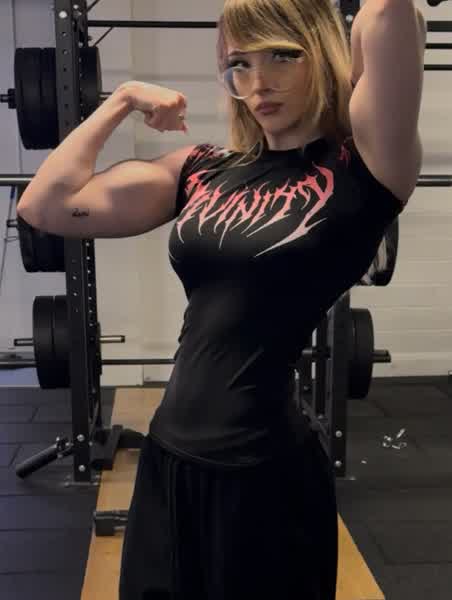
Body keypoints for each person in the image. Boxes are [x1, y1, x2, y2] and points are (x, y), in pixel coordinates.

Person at [17, 1, 422, 598]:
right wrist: (122, 98)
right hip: (168, 459)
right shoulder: (202, 170)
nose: (259, 82)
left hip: (264, 478)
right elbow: (44, 206)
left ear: (321, 53)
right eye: (240, 64)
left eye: (282, 56)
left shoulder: (364, 168)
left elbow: (387, 16)